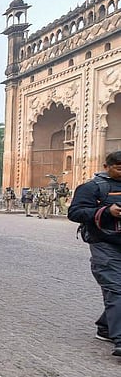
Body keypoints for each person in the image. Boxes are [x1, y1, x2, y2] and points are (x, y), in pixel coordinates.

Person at [68, 151, 121, 357]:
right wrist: (107, 211)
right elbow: (75, 213)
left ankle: (106, 326)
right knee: (116, 288)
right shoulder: (93, 187)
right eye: (118, 167)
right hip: (104, 244)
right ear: (106, 167)